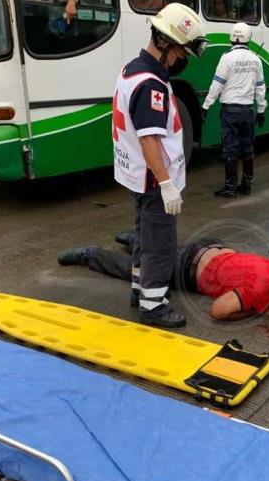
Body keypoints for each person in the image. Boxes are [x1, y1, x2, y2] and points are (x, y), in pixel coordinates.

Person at [111, 3, 207, 328]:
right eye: (182, 52)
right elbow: (149, 139)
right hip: (153, 181)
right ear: (165, 43)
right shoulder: (151, 84)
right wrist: (167, 185)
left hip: (138, 177)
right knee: (161, 245)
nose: (183, 60)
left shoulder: (134, 69)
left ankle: (141, 290)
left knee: (145, 237)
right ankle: (153, 308)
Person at [57, 235, 269, 325]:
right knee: (135, 271)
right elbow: (219, 311)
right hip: (186, 270)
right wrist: (263, 310)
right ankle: (90, 254)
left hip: (211, 249)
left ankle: (137, 238)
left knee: (157, 247)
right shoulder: (262, 290)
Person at [202, 22, 267, 198]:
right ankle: (246, 184)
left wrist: (206, 105)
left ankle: (230, 188)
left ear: (232, 38)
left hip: (230, 112)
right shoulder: (256, 59)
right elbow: (260, 87)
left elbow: (217, 84)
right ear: (248, 39)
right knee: (247, 147)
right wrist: (261, 110)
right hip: (248, 111)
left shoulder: (227, 58)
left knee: (230, 149)